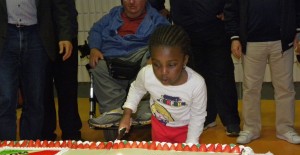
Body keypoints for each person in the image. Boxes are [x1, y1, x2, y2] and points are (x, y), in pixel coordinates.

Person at [152, 0, 240, 137]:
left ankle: (231, 121)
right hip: (186, 31)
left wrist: (229, 10)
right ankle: (206, 118)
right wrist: (158, 8)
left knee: (223, 75)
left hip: (215, 28)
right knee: (195, 78)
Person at [224, 0, 300, 144]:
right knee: (251, 89)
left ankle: (285, 129)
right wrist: (234, 37)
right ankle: (250, 129)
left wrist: (297, 30)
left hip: (282, 42)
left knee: (285, 88)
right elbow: (231, 10)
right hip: (251, 42)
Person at [87, 0, 170, 128]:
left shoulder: (156, 18)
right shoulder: (113, 15)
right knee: (97, 64)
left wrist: (155, 55)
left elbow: (167, 37)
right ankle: (112, 110)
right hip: (112, 56)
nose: (132, 2)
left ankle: (144, 106)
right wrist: (94, 48)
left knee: (153, 65)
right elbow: (96, 30)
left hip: (141, 55)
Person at [119, 25, 207, 144]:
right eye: (156, 64)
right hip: (159, 127)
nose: (163, 72)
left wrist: (191, 143)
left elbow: (198, 116)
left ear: (184, 60)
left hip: (186, 130)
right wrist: (127, 114)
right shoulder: (147, 74)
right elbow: (136, 89)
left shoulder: (196, 84)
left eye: (171, 65)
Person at [0, 0, 73, 141]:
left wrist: (64, 35)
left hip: (36, 35)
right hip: (5, 35)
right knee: (5, 98)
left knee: (35, 99)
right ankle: (4, 150)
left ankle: (30, 148)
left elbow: (60, 5)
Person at [42, 0, 82, 141]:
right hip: (37, 34)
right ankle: (46, 136)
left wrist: (65, 35)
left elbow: (64, 5)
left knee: (68, 87)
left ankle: (71, 134)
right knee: (42, 89)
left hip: (64, 31)